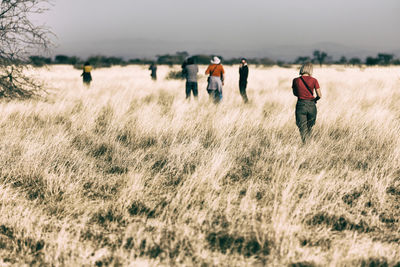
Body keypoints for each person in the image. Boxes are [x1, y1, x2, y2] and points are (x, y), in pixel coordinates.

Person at [292, 62, 322, 144]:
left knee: (302, 127)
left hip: (301, 104)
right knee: (310, 126)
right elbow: (319, 95)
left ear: (302, 69)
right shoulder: (314, 80)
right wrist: (315, 99)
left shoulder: (295, 80)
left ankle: (305, 144)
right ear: (310, 70)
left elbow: (295, 93)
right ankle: (309, 144)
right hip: (312, 105)